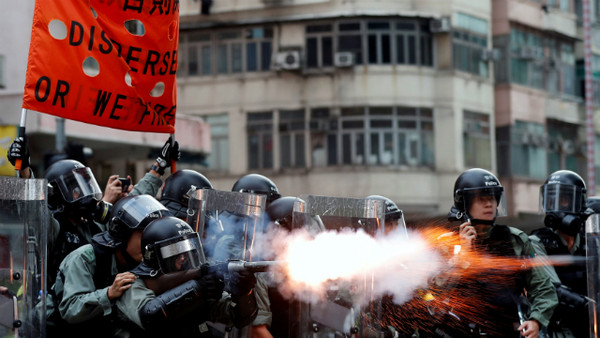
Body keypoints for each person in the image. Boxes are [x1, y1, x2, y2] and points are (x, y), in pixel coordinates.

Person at [7, 136, 179, 286]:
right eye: (75, 189)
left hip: (97, 307)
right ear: (56, 194)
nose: (84, 193)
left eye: (86, 184)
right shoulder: (52, 227)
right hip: (61, 313)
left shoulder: (94, 224)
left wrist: (159, 166)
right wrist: (24, 171)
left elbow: (132, 208)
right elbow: (33, 210)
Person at [447, 168, 558, 337]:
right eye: (481, 198)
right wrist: (462, 256)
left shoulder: (516, 240)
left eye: (492, 198)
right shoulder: (446, 244)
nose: (489, 204)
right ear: (464, 202)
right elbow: (434, 290)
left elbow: (543, 287)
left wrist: (536, 320)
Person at [46, 194, 170, 337]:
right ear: (123, 233)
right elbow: (70, 309)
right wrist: (109, 293)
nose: (149, 242)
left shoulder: (143, 259)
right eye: (143, 234)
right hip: (55, 329)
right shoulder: (84, 258)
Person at [115, 216, 258, 337]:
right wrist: (199, 288)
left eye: (187, 251)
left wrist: (243, 293)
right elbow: (151, 316)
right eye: (174, 253)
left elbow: (240, 318)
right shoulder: (130, 284)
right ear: (155, 257)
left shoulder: (194, 279)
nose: (184, 259)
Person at [529, 170, 590, 338]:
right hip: (556, 329)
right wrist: (590, 307)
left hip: (591, 326)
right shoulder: (536, 242)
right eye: (550, 200)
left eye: (562, 200)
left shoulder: (590, 241)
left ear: (578, 202)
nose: (555, 207)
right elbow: (552, 289)